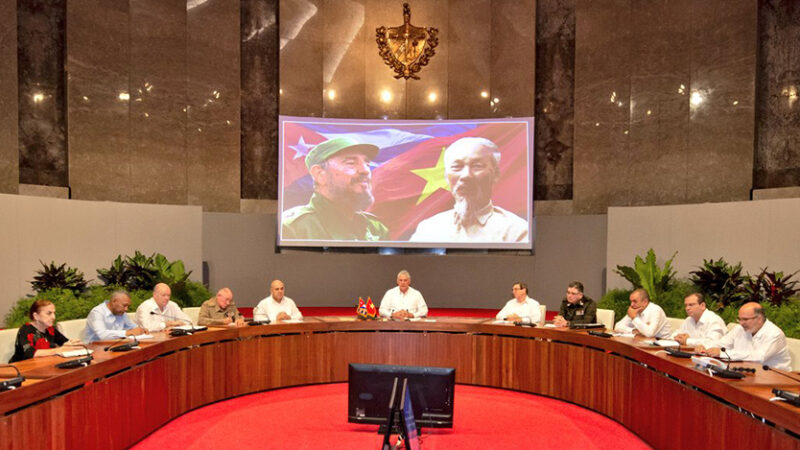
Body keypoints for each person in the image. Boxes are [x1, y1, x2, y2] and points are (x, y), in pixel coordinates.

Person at [409, 137, 528, 242]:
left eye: (477, 166)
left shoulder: (516, 231)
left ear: (495, 174)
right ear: (446, 176)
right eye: (457, 167)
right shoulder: (428, 229)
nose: (466, 175)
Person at [282, 137, 388, 241]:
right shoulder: (292, 228)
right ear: (319, 174)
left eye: (367, 164)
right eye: (351, 163)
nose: (365, 170)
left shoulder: (376, 228)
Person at [696, 302, 792, 371]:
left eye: (745, 319)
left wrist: (722, 354)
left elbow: (759, 357)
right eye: (740, 319)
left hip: (774, 378)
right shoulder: (739, 328)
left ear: (759, 319)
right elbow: (722, 344)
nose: (741, 323)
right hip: (747, 373)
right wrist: (705, 346)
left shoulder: (774, 333)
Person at [9, 300, 82, 363]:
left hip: (43, 365)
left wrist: (72, 344)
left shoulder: (50, 329)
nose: (54, 317)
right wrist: (59, 350)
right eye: (49, 313)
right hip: (21, 370)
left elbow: (64, 342)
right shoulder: (25, 330)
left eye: (54, 313)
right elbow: (30, 353)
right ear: (36, 316)